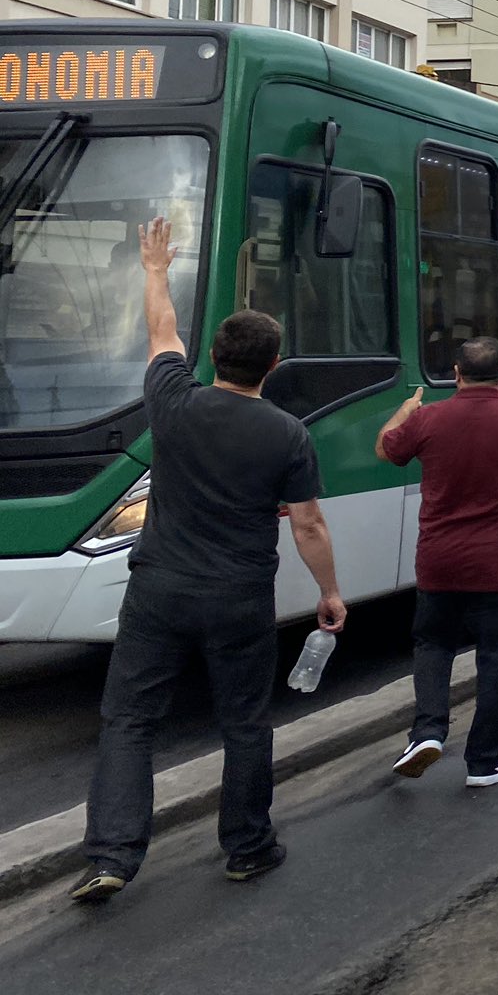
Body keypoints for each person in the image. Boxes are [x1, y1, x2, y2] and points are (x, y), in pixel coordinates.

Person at [72, 218, 343, 904]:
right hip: (239, 595)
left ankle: (110, 855)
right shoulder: (287, 433)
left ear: (212, 358)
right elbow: (307, 522)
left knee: (129, 720)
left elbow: (161, 331)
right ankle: (248, 849)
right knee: (244, 724)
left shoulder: (173, 402)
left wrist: (156, 270)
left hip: (158, 588)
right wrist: (329, 592)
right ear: (273, 369)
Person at [375, 336, 498, 784]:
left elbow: (387, 449)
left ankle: (427, 731)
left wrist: (407, 410)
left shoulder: (430, 419)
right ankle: (486, 760)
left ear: (456, 374)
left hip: (439, 562)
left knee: (433, 645)